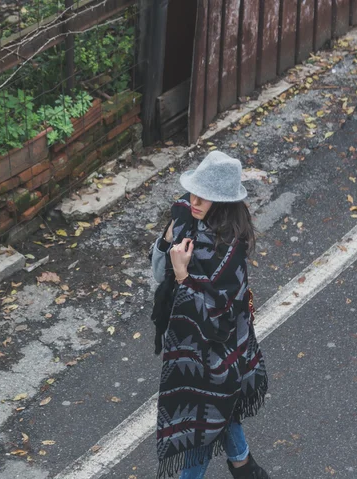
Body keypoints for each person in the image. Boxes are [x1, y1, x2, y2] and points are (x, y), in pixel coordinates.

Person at [150, 151, 269, 479]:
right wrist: (165, 243)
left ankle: (243, 467)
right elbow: (158, 273)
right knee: (220, 411)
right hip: (190, 346)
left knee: (199, 428)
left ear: (223, 202)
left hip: (218, 352)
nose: (195, 199)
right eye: (194, 191)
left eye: (206, 195)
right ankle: (245, 466)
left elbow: (218, 319)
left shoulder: (230, 250)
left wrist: (184, 276)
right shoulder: (185, 217)